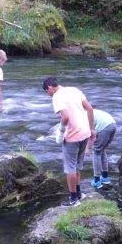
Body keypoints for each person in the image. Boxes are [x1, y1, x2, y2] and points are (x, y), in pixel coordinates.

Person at [43, 76, 94, 206]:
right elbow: (90, 109)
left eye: (46, 92)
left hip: (72, 135)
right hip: (85, 132)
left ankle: (73, 199)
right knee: (78, 165)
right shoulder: (74, 90)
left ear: (49, 88)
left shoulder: (57, 97)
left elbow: (65, 117)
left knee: (70, 167)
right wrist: (91, 129)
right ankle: (79, 193)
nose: (48, 95)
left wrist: (60, 131)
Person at [90, 108, 116, 190]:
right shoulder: (90, 111)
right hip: (112, 124)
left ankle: (96, 180)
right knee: (102, 150)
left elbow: (88, 132)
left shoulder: (82, 115)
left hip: (104, 127)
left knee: (96, 152)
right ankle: (105, 178)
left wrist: (87, 148)